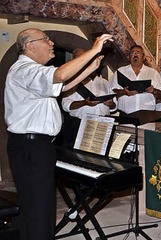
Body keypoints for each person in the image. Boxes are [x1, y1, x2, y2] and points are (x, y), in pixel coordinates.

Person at [5, 28, 112, 240]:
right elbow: (61, 74)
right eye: (45, 39)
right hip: (31, 147)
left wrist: (91, 68)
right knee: (39, 210)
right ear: (30, 46)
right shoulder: (26, 69)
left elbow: (63, 85)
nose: (51, 42)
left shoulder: (29, 71)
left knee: (36, 207)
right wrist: (93, 50)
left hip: (33, 146)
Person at [61, 48, 117, 147]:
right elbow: (66, 105)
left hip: (103, 125)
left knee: (100, 158)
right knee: (79, 156)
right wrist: (84, 103)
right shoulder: (73, 81)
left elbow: (114, 106)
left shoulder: (104, 82)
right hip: (81, 124)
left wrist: (111, 104)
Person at [110, 45, 161, 114]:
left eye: (138, 52)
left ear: (144, 57)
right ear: (129, 57)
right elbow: (112, 91)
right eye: (132, 53)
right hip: (126, 115)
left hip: (147, 115)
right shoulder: (120, 71)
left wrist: (153, 90)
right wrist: (124, 92)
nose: (135, 54)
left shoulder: (153, 72)